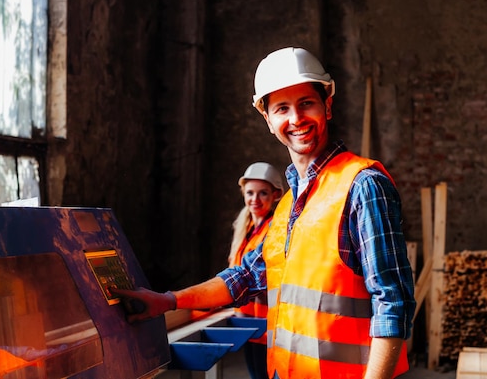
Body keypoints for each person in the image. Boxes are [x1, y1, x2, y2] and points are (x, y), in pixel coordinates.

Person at [112, 47, 416, 379]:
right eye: (282, 108)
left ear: (327, 106)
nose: (296, 119)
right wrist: (166, 301)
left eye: (306, 103)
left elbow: (392, 302)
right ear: (268, 120)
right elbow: (244, 278)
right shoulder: (286, 207)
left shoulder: (362, 186)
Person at [228, 162, 283, 379]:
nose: (255, 200)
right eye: (250, 193)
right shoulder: (246, 227)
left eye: (263, 193)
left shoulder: (275, 229)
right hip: (247, 321)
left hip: (267, 324)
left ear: (275, 195)